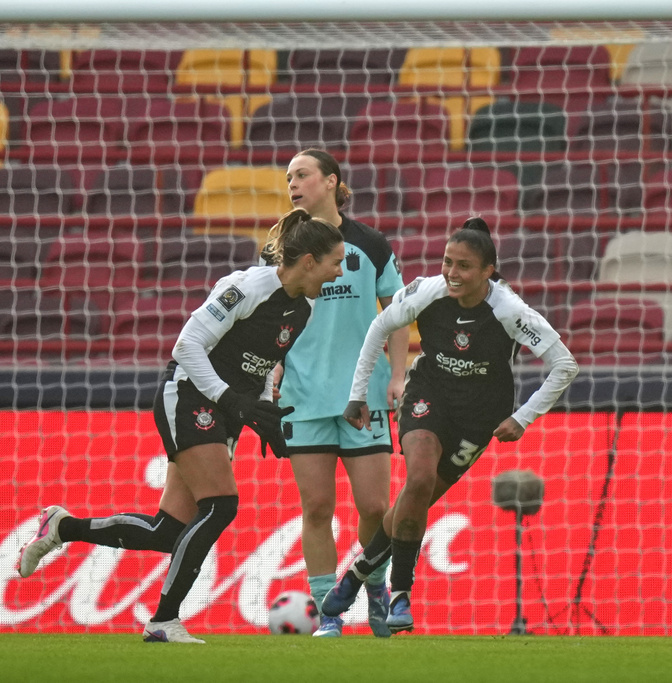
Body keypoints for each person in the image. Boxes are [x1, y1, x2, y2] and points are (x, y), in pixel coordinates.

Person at [17, 209, 346, 644]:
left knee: (168, 531)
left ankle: (61, 527)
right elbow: (186, 345)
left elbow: (267, 360)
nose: (339, 271)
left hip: (226, 410)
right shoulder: (247, 287)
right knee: (222, 505)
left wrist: (265, 412)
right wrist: (232, 400)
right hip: (188, 396)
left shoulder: (304, 305)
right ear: (308, 262)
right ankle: (163, 621)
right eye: (335, 262)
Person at [320, 217, 579, 634]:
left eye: (463, 266)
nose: (452, 273)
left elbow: (564, 365)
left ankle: (355, 574)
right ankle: (400, 595)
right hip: (429, 395)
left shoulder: (510, 311)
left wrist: (522, 417)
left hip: (479, 417)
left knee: (413, 502)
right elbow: (379, 326)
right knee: (418, 479)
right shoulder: (427, 291)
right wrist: (357, 393)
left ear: (487, 271)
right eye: (447, 262)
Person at [266, 149, 409, 638]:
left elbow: (396, 313)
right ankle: (329, 611)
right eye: (288, 177)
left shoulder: (370, 244)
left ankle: (373, 591)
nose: (293, 184)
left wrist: (397, 375)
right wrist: (273, 369)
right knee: (317, 508)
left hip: (361, 394)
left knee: (374, 508)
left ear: (331, 181)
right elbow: (270, 320)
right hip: (302, 396)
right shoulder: (280, 248)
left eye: (302, 174)